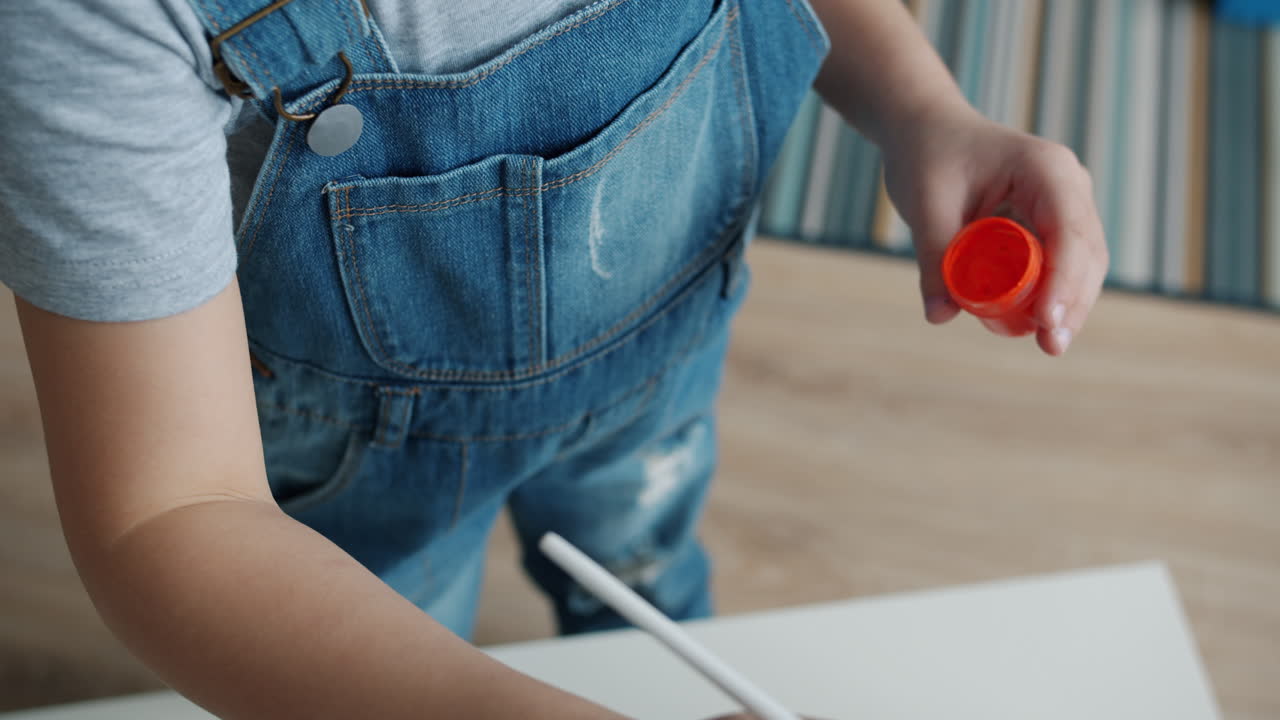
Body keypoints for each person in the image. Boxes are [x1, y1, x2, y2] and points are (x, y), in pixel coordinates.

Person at [0, 0, 1106, 717]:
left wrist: (921, 107)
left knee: (648, 571)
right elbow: (169, 514)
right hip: (359, 481)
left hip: (659, 367)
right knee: (402, 638)